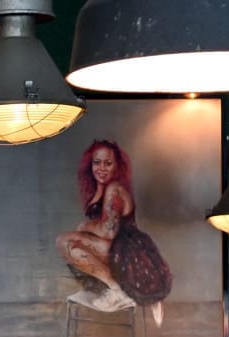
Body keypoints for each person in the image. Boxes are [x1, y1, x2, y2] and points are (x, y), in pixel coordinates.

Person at [54, 137, 172, 327]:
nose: (101, 168)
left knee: (65, 242)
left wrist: (84, 227)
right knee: (70, 245)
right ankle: (113, 288)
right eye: (97, 163)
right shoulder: (100, 189)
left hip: (127, 250)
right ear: (90, 165)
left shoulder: (114, 189)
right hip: (116, 248)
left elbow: (109, 231)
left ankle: (117, 289)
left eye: (108, 163)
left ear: (117, 166)